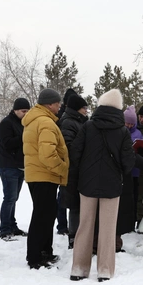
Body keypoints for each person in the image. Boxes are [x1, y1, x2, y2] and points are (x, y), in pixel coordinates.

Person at [68, 89, 135, 281]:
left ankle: (78, 268)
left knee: (85, 225)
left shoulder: (88, 127)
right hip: (112, 185)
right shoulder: (122, 131)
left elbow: (75, 153)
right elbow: (128, 162)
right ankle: (105, 270)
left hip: (87, 183)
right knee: (107, 228)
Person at [22, 88, 69, 269]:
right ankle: (35, 257)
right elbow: (48, 154)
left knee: (46, 214)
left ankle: (44, 251)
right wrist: (62, 168)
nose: (59, 107)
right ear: (49, 104)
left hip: (38, 175)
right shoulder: (45, 123)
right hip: (44, 175)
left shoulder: (35, 121)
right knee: (42, 216)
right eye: (57, 104)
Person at [58, 93, 89, 249]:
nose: (86, 111)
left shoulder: (79, 121)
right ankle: (73, 236)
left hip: (79, 169)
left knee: (79, 204)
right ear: (77, 109)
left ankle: (78, 235)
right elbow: (69, 147)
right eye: (84, 108)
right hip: (73, 170)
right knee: (75, 205)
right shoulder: (69, 123)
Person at [0, 97, 31, 241]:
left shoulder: (24, 123)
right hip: (8, 165)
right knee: (9, 198)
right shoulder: (6, 123)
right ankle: (4, 229)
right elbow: (7, 144)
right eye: (23, 111)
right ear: (15, 110)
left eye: (27, 111)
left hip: (20, 166)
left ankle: (12, 225)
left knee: (14, 198)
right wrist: (24, 137)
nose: (26, 114)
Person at [123, 105, 143, 232]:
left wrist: (141, 150)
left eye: (131, 123)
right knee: (126, 198)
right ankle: (126, 222)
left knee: (136, 196)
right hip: (124, 170)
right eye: (127, 122)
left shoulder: (138, 133)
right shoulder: (121, 131)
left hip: (136, 171)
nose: (129, 125)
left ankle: (137, 219)